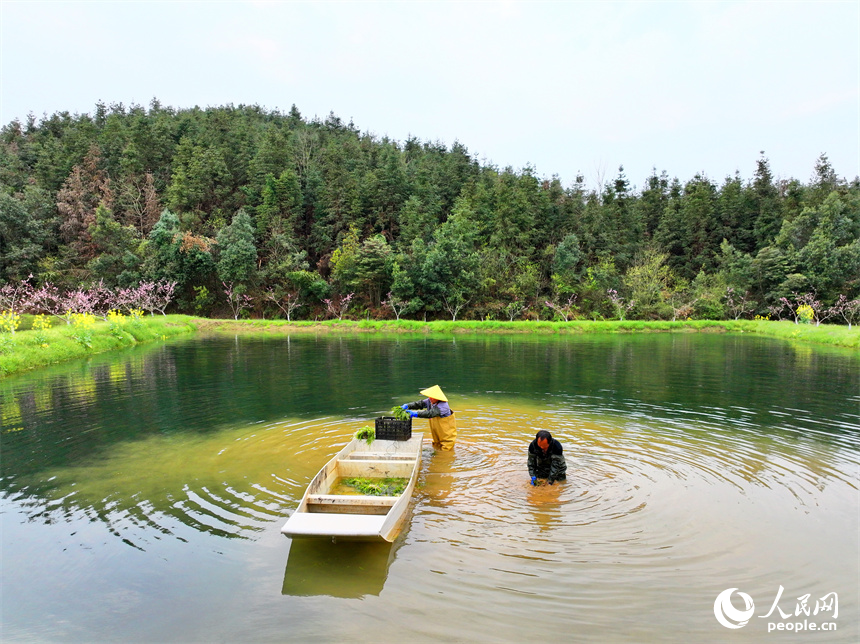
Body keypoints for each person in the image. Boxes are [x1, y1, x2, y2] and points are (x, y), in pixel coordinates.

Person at [402, 385, 457, 450]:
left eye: (433, 397)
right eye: (430, 397)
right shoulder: (430, 401)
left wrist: (415, 414)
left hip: (446, 431)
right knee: (436, 443)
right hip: (437, 430)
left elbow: (430, 413)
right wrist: (408, 405)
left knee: (446, 446)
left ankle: (446, 458)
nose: (430, 398)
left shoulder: (443, 406)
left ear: (438, 398)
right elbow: (420, 404)